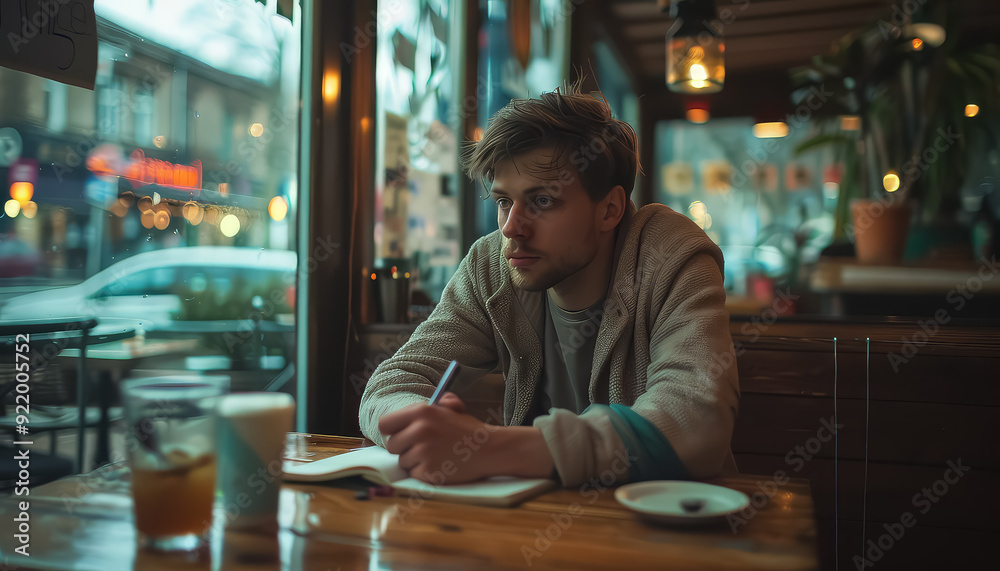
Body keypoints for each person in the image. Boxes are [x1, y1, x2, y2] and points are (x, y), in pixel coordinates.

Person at [359, 84, 739, 488]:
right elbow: (392, 380)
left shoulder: (670, 255)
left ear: (609, 209)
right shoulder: (492, 264)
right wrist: (419, 424)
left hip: (671, 527)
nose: (511, 228)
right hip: (534, 524)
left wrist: (487, 449)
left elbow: (696, 422)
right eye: (504, 201)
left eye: (542, 201)